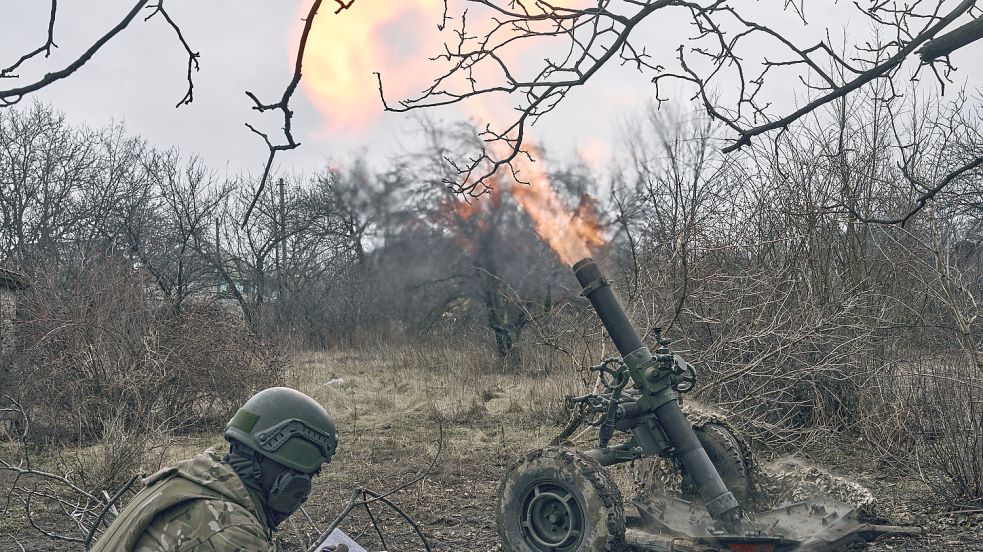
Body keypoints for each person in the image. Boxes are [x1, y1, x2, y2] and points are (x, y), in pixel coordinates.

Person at [91, 387, 340, 551]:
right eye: (308, 477)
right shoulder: (234, 530)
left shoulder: (186, 480)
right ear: (285, 477)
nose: (304, 494)